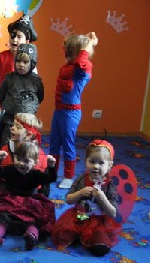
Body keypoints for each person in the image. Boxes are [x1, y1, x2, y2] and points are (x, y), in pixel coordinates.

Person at [51, 139, 122, 256]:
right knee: (60, 234)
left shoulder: (109, 185)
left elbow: (113, 213)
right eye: (92, 162)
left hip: (99, 220)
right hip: (80, 215)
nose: (95, 166)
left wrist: (102, 198)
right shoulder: (81, 178)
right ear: (85, 162)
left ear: (109, 165)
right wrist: (80, 193)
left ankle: (87, 239)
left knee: (100, 246)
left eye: (101, 163)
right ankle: (79, 236)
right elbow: (68, 199)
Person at [0, 141, 57, 250]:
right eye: (18, 159)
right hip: (10, 200)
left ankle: (32, 237)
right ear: (14, 158)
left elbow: (50, 178)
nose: (21, 163)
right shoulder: (10, 170)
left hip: (29, 202)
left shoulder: (35, 174)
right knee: (2, 218)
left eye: (26, 161)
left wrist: (51, 167)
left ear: (35, 162)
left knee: (33, 221)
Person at [50, 32, 99, 189]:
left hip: (70, 114)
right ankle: (51, 172)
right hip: (59, 111)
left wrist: (87, 44)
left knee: (67, 145)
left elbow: (80, 63)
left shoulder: (82, 70)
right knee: (54, 143)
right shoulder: (67, 68)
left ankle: (69, 176)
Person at [0, 43, 44, 151]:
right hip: (10, 121)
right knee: (6, 146)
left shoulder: (36, 80)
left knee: (27, 148)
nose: (21, 65)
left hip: (28, 122)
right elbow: (1, 95)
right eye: (18, 61)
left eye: (25, 62)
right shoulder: (9, 78)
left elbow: (40, 96)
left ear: (32, 63)